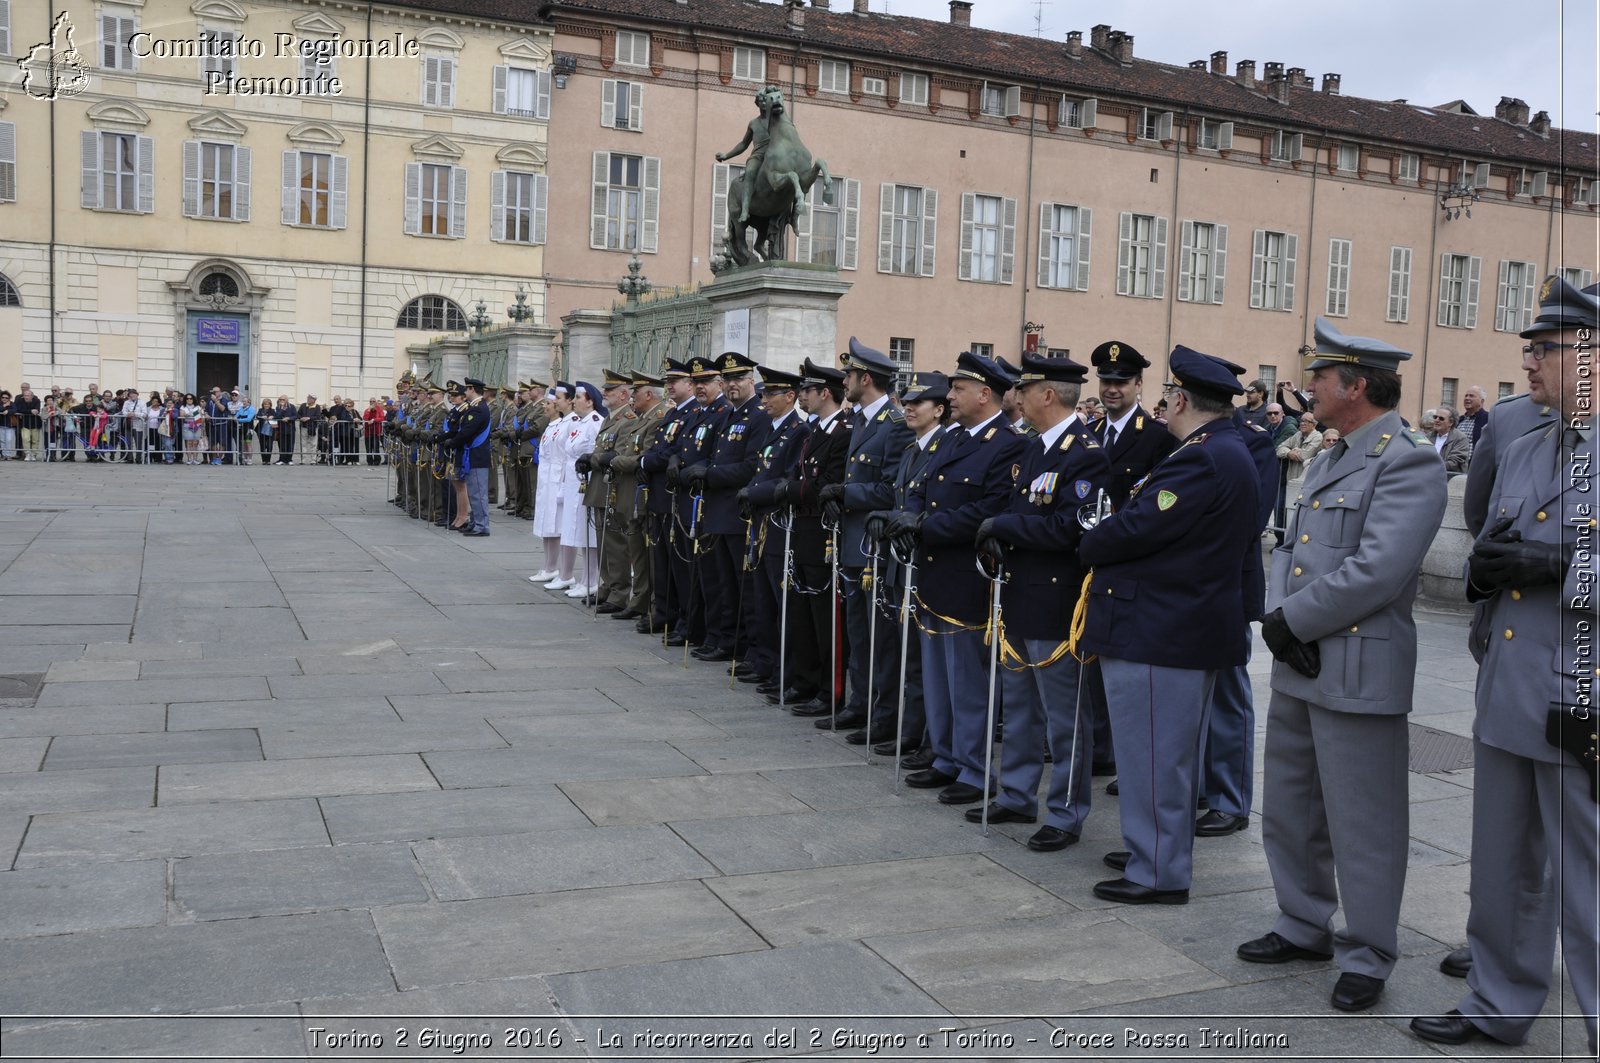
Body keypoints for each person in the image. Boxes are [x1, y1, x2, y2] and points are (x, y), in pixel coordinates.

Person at [1410, 277, 1599, 1054]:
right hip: (1512, 685)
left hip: (1582, 694)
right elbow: (1494, 545)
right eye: (1528, 348)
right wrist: (1487, 577)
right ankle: (1496, 1000)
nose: (1528, 362)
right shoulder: (1525, 445)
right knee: (1501, 863)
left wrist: (1564, 564)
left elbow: (1557, 559)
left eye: (1544, 349)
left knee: (1587, 884)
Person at [1238, 318, 1447, 1014]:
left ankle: (1368, 951)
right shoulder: (1330, 455)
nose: (1308, 389)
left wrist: (1289, 619)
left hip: (1356, 663)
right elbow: (1290, 549)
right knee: (1292, 808)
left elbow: (1378, 570)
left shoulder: (1406, 459)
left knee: (1364, 823)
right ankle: (1302, 922)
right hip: (1303, 658)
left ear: (1356, 386)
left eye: (1320, 379)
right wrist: (1279, 616)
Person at [1077, 346, 1260, 905]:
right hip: (1178, 623)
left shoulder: (1200, 457)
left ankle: (1157, 869)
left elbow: (1130, 530)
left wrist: (1092, 538)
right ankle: (1154, 848)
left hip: (1162, 626)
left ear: (1179, 399)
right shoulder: (1222, 449)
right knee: (1166, 757)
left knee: (1154, 757)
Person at [966, 352, 1109, 849]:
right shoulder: (1032, 450)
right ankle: (1017, 793)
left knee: (1065, 716)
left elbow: (1072, 528)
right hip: (1018, 594)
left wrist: (1005, 527)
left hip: (1057, 600)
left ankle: (1066, 812)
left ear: (1047, 394)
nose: (1016, 399)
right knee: (1021, 707)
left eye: (1023, 391)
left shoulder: (1085, 452)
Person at [888, 351, 1029, 805]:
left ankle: (973, 768)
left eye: (958, 389)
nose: (949, 396)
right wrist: (908, 518)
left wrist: (925, 527)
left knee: (969, 682)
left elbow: (989, 510)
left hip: (969, 579)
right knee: (939, 679)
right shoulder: (952, 438)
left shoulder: (1007, 443)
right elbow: (923, 490)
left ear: (984, 394)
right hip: (934, 575)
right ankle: (946, 756)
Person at [1088, 341, 1176, 785]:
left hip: (1130, 563)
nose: (1111, 389)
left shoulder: (1157, 437)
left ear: (1139, 384)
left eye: (1121, 381)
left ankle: (1127, 760)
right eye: (1106, 381)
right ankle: (1101, 748)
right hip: (1090, 562)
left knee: (1127, 668)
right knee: (1093, 661)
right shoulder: (1088, 432)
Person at [816, 339, 912, 737]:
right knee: (858, 629)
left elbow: (894, 490)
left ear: (866, 378)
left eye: (849, 375)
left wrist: (847, 494)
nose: (845, 381)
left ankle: (885, 714)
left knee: (881, 635)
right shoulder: (860, 420)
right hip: (853, 542)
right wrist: (839, 499)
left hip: (876, 547)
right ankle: (859, 703)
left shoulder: (895, 424)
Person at [684, 352, 770, 663]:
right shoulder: (727, 416)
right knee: (720, 583)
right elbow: (713, 455)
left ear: (751, 381)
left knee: (740, 586)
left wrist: (709, 474)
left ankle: (741, 645)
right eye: (729, 379)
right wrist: (700, 468)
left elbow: (750, 466)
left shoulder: (758, 417)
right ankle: (723, 638)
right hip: (717, 511)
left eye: (739, 379)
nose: (733, 384)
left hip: (737, 513)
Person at [716, 87, 773, 226]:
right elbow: (743, 144)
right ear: (757, 103)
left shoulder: (777, 120)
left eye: (766, 101)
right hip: (759, 156)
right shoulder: (753, 123)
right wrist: (726, 156)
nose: (764, 104)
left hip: (774, 155)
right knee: (750, 172)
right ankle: (745, 209)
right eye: (761, 101)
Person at [449, 378, 494, 537]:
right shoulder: (476, 407)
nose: (464, 392)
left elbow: (466, 432)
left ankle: (482, 526)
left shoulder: (479, 409)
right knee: (474, 492)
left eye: (466, 389)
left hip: (477, 455)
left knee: (478, 493)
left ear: (472, 390)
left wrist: (452, 442)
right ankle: (476, 522)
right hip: (473, 456)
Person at [1429, 407, 1472, 474]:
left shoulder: (1460, 438)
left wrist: (1430, 466)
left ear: (1451, 423)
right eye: (1435, 417)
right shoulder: (1428, 437)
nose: (1437, 420)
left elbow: (1454, 463)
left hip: (1450, 479)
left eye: (1441, 418)